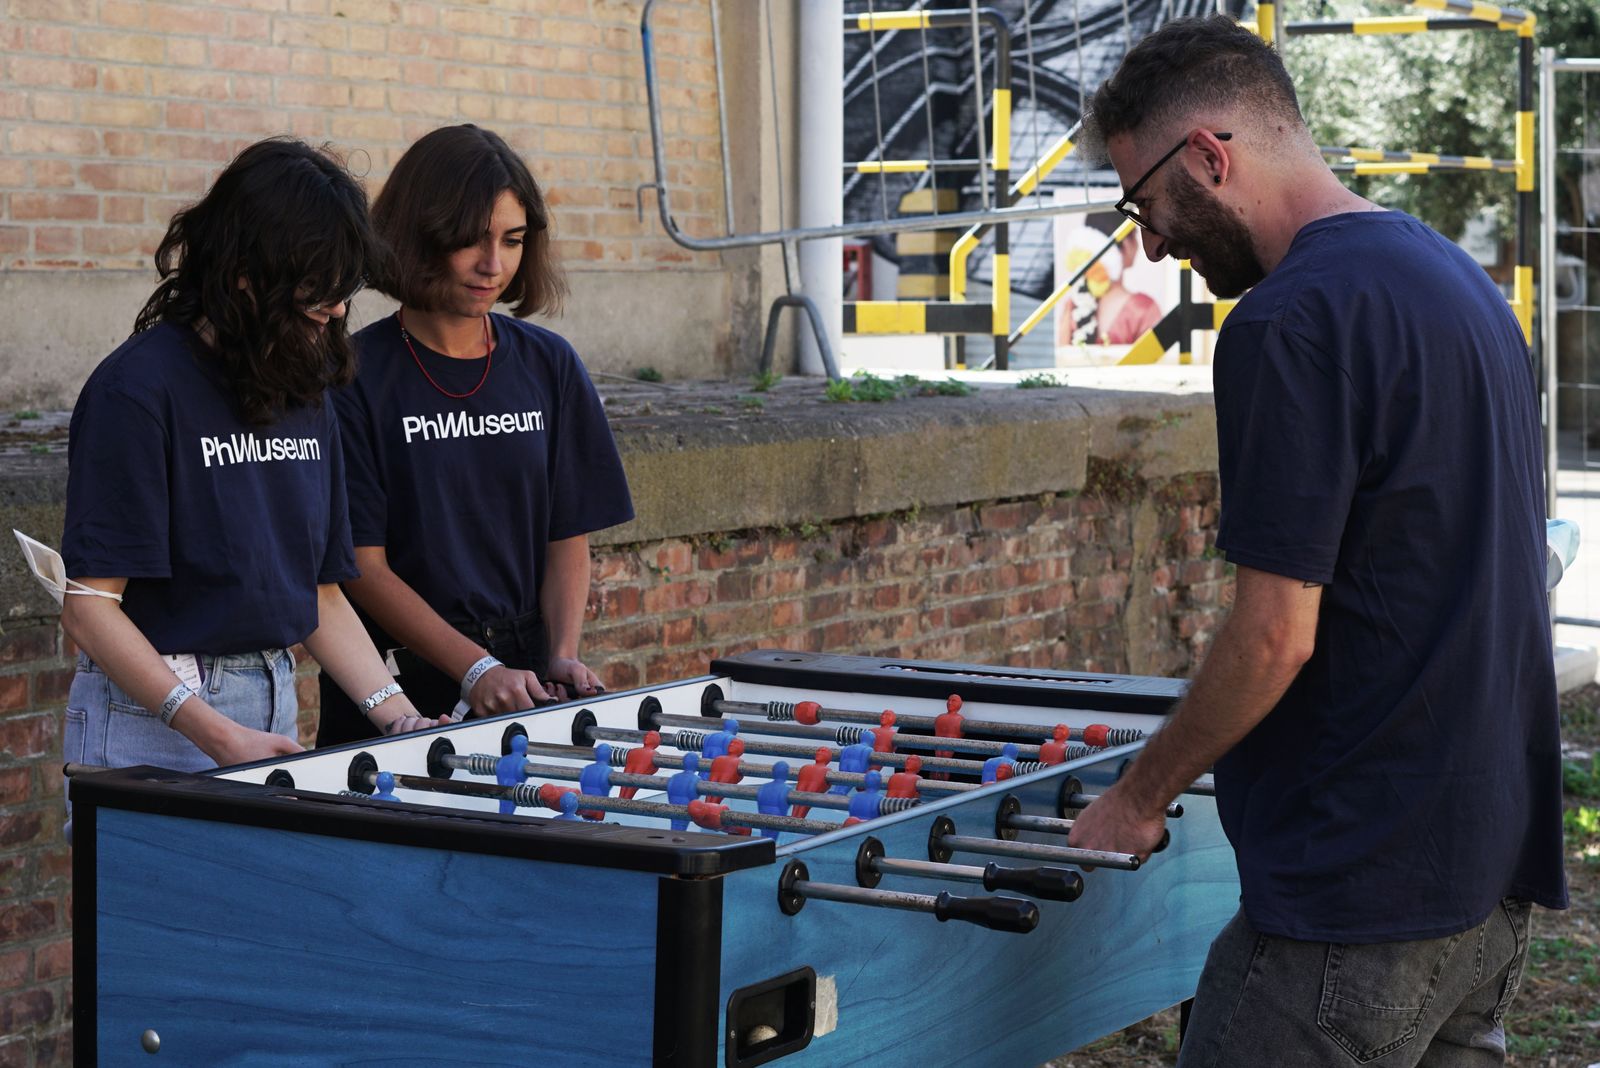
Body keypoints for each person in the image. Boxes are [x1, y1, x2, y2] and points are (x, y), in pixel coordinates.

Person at [1065, 17, 1565, 1066]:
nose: (1151, 245)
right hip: (1491, 864)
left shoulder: (1289, 321)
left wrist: (1135, 798)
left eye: (1143, 206)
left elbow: (1271, 637)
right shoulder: (1460, 284)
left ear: (1208, 154)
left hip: (1359, 890)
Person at [60, 139, 436, 788]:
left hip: (272, 694)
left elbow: (320, 594)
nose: (341, 308)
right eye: (319, 289)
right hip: (156, 715)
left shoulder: (304, 381)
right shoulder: (138, 391)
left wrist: (400, 717)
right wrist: (215, 731)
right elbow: (89, 606)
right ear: (246, 276)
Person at [315, 125, 634, 746]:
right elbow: (359, 566)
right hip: (398, 679)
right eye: (470, 241)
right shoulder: (349, 376)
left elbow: (567, 534)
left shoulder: (550, 364)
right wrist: (473, 665)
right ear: (418, 234)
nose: (494, 265)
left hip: (524, 679)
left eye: (513, 241)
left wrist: (562, 653)